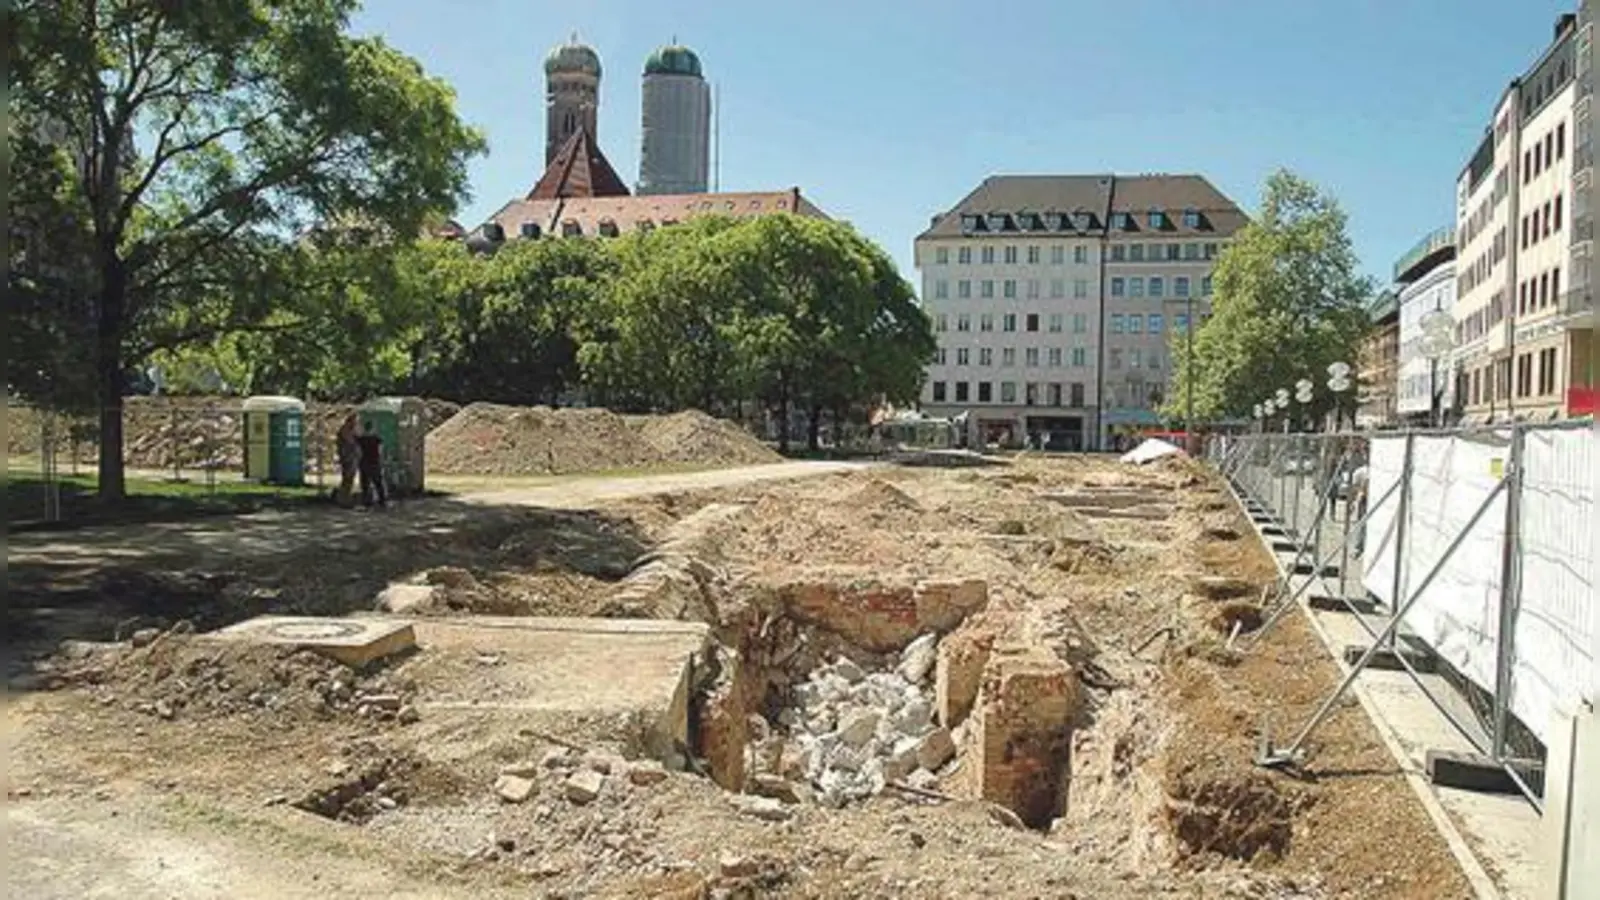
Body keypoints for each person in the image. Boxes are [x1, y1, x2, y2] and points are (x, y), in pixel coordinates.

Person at [356, 421, 387, 508]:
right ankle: (382, 501)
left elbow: (358, 451)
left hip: (364, 462)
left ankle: (366, 501)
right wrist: (381, 460)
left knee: (365, 483)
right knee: (378, 482)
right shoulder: (377, 439)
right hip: (374, 462)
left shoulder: (361, 440)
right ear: (373, 429)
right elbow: (380, 451)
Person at [335, 414, 360, 508]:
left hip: (351, 457)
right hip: (348, 457)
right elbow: (351, 441)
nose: (356, 423)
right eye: (355, 421)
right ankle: (343, 499)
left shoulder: (351, 430)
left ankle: (346, 498)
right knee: (347, 478)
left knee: (349, 479)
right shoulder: (345, 430)